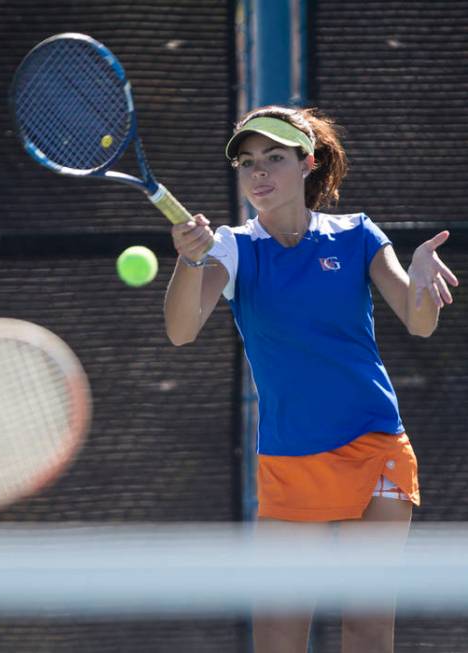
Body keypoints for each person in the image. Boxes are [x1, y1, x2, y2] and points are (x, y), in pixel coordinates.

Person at [163, 105, 458, 653]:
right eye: (248, 162)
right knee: (277, 634)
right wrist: (190, 261)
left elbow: (419, 322)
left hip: (376, 448)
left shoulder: (357, 236)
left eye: (275, 157)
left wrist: (420, 279)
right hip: (290, 458)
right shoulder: (232, 247)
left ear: (308, 163)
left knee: (367, 629)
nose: (259, 172)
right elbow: (181, 331)